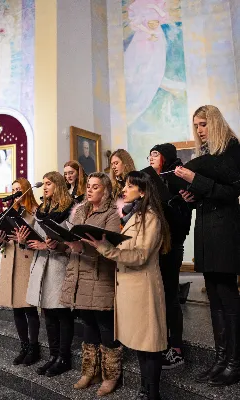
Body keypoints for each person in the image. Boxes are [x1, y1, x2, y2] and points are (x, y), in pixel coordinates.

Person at [83, 171, 171, 400]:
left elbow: (140, 255)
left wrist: (106, 249)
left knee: (149, 345)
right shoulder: (133, 216)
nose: (124, 189)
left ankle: (152, 393)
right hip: (132, 288)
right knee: (142, 345)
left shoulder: (150, 217)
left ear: (142, 191)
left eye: (130, 186)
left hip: (144, 287)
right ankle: (144, 390)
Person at [176, 105, 240, 386]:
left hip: (226, 229)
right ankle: (220, 359)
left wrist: (196, 179)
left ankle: (235, 363)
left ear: (214, 123)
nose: (199, 130)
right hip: (206, 229)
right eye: (196, 125)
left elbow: (232, 191)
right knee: (213, 297)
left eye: (203, 124)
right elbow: (210, 190)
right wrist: (193, 195)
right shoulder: (205, 154)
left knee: (227, 296)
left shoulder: (232, 149)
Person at [61, 172, 122, 397]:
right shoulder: (80, 210)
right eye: (88, 185)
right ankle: (90, 372)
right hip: (78, 273)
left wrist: (82, 247)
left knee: (105, 325)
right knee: (87, 323)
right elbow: (73, 240)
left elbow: (112, 247)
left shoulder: (112, 213)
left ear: (105, 190)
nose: (89, 189)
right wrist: (60, 243)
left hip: (99, 274)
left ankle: (110, 376)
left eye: (95, 187)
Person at [26, 171, 74, 377]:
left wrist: (49, 246)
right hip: (41, 266)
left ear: (59, 186)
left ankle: (64, 357)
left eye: (49, 184)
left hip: (59, 266)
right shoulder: (43, 210)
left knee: (61, 313)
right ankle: (53, 355)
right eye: (43, 184)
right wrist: (24, 239)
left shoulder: (69, 209)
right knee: (48, 313)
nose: (44, 187)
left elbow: (72, 241)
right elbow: (36, 237)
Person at [148, 143, 192, 369]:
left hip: (173, 244)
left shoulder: (177, 178)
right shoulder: (150, 181)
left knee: (170, 295)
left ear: (165, 156)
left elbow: (184, 219)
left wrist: (168, 203)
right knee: (157, 295)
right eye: (149, 155)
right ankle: (161, 341)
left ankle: (176, 348)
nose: (151, 158)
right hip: (154, 245)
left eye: (155, 154)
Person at [0, 177, 40, 366]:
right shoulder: (8, 214)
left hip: (26, 263)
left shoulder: (34, 212)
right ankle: (23, 347)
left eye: (19, 189)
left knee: (28, 308)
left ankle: (34, 347)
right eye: (13, 190)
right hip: (10, 264)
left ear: (26, 191)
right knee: (16, 308)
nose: (16, 193)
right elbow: (4, 241)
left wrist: (23, 241)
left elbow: (39, 240)